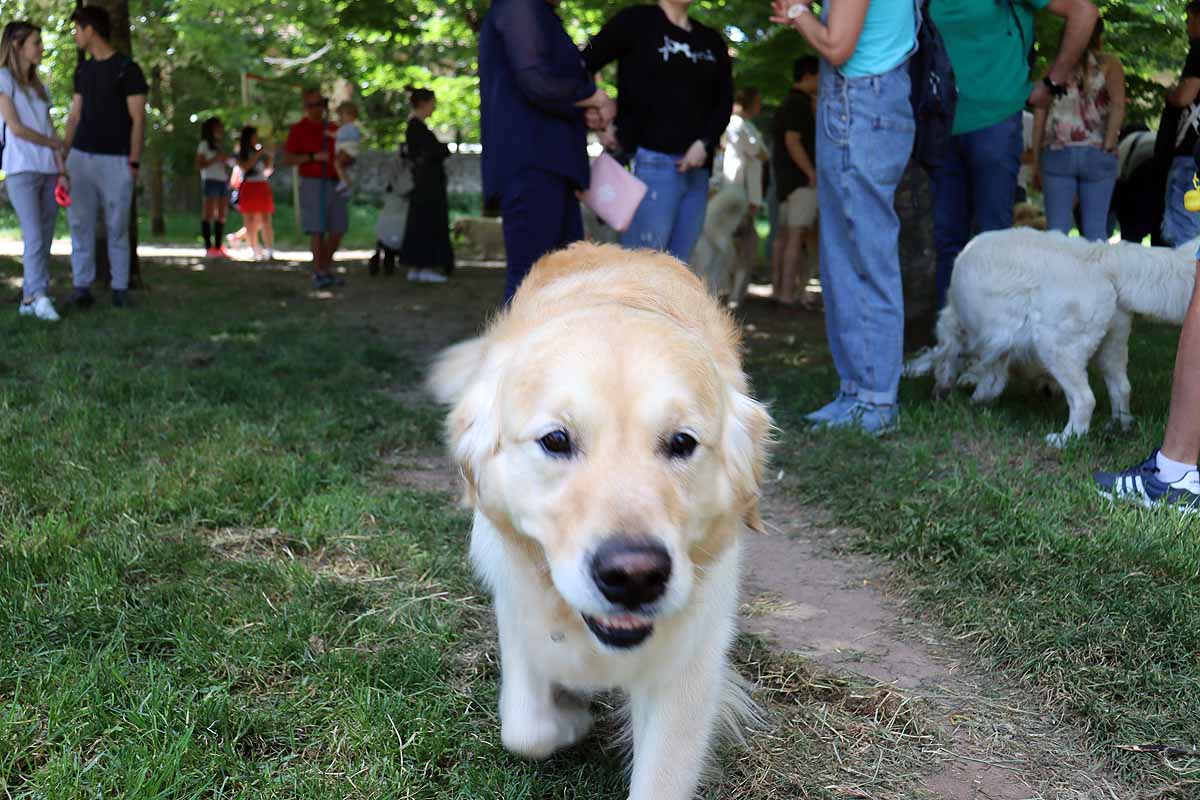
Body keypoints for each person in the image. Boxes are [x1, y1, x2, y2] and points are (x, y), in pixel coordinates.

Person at [770, 0, 915, 436]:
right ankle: (857, 392)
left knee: (861, 257)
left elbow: (837, 47)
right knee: (848, 257)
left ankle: (873, 399)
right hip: (869, 103)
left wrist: (798, 13)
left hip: (860, 106)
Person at [929, 0, 1099, 307]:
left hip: (995, 122)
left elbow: (1084, 12)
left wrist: (1052, 81)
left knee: (992, 239)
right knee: (947, 242)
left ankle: (995, 340)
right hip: (941, 125)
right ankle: (951, 346)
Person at [479, 0, 615, 303]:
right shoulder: (519, 6)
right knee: (532, 281)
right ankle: (512, 351)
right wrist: (593, 97)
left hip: (552, 167)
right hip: (532, 165)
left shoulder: (540, 13)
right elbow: (536, 79)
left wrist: (585, 110)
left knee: (562, 285)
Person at [582, 0, 734, 262]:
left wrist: (704, 142)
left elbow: (723, 103)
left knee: (678, 269)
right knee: (642, 267)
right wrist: (598, 113)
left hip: (697, 169)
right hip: (647, 162)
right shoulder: (635, 21)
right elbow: (582, 63)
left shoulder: (711, 41)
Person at [62, 5, 148, 310]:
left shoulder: (128, 68)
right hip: (81, 158)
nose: (75, 35)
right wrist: (64, 155)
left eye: (77, 29)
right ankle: (82, 287)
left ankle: (120, 288)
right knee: (79, 224)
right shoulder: (83, 70)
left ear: (91, 30)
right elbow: (74, 116)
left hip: (118, 160)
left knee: (117, 226)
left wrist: (134, 162)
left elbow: (138, 119)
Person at [1031, 18, 1125, 242]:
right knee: (1095, 233)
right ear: (1099, 36)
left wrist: (1036, 161)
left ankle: (1057, 277)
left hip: (1058, 153)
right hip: (1097, 152)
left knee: (1056, 233)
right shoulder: (1111, 65)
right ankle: (1095, 277)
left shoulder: (1053, 69)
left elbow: (1039, 116)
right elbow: (1118, 105)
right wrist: (1109, 144)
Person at [0, 21, 67, 322]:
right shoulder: (2, 80)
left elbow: (50, 130)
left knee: (46, 235)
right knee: (34, 235)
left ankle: (30, 299)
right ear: (17, 45)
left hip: (49, 171)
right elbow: (15, 128)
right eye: (36, 42)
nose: (41, 47)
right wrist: (52, 142)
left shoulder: (40, 88)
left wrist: (62, 169)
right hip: (21, 170)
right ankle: (38, 296)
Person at [282, 88, 346, 290]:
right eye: (310, 105)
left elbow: (348, 153)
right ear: (305, 107)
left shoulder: (335, 129)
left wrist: (344, 160)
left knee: (337, 228)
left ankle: (326, 268)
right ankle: (319, 271)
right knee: (317, 229)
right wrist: (312, 157)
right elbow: (288, 158)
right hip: (312, 182)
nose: (315, 109)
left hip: (336, 182)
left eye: (319, 104)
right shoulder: (298, 129)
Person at [771, 56, 819, 309]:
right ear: (809, 75)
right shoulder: (799, 105)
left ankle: (779, 290)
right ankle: (788, 294)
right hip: (801, 181)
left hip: (785, 182)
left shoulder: (786, 104)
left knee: (784, 236)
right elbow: (793, 140)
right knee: (795, 235)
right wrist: (810, 171)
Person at [397, 87, 454, 283]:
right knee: (426, 223)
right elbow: (435, 151)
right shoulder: (416, 128)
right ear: (423, 103)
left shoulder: (418, 127)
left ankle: (419, 266)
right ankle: (423, 265)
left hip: (425, 184)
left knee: (421, 222)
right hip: (426, 185)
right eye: (432, 102)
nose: (434, 107)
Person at [720, 86, 768, 293]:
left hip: (743, 192)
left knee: (742, 242)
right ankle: (729, 288)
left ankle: (733, 289)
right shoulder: (739, 125)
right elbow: (760, 153)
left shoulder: (741, 125)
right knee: (738, 243)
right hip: (739, 190)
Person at [1161, 1, 1200, 247]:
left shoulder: (1199, 50)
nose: (1187, 26)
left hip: (1192, 153)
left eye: (1189, 19)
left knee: (1185, 236)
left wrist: (1171, 95)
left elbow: (1186, 95)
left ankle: (1189, 286)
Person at [235, 125, 275, 261]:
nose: (256, 139)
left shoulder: (261, 152)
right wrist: (258, 154)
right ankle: (253, 248)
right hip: (248, 186)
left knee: (265, 219)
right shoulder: (241, 153)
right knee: (249, 220)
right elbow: (245, 167)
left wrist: (269, 158)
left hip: (262, 185)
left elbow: (268, 170)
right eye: (254, 136)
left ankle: (269, 249)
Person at [196, 116, 231, 258]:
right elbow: (199, 165)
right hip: (210, 180)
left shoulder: (219, 145)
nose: (221, 129)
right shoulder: (204, 145)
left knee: (222, 214)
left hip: (222, 180)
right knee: (208, 213)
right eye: (218, 126)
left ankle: (218, 246)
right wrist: (215, 159)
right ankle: (208, 247)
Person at [332, 101, 361, 196]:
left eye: (342, 115)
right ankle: (347, 186)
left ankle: (344, 183)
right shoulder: (346, 127)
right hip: (346, 150)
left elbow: (341, 136)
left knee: (337, 164)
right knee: (342, 168)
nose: (340, 117)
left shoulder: (350, 127)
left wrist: (330, 134)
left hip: (347, 150)